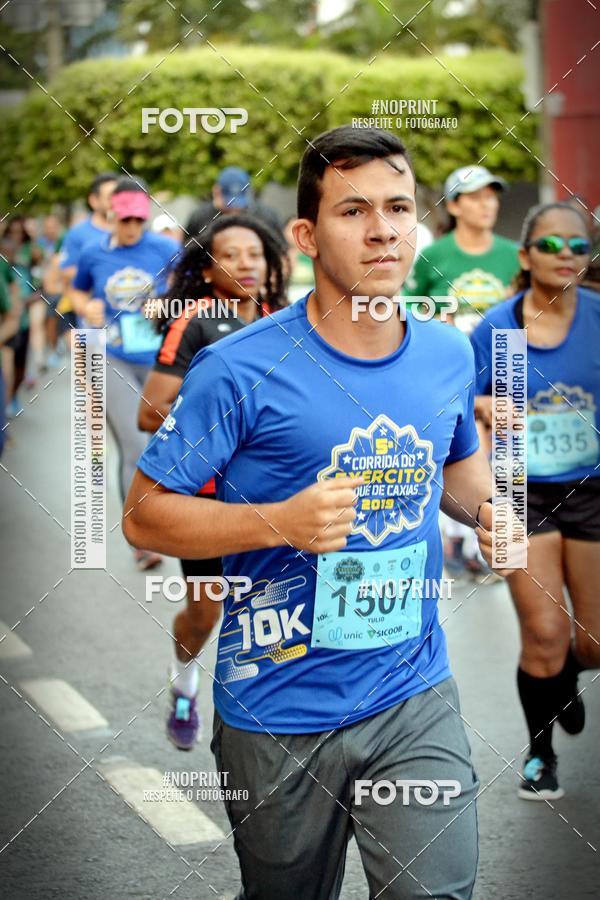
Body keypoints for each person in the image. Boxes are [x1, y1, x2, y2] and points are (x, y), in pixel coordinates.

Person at [124, 125, 522, 899]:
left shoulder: (447, 352)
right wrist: (279, 521)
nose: (382, 229)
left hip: (412, 691)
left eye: (400, 206)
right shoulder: (239, 366)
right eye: (354, 210)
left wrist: (490, 512)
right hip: (277, 705)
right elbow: (144, 515)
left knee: (435, 891)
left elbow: (457, 465)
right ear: (306, 234)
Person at [138, 214, 287, 750]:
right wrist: (231, 420)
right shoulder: (196, 321)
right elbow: (150, 412)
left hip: (276, 499)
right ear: (207, 270)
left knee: (280, 610)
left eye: (256, 253)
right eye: (233, 254)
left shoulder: (286, 321)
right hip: (205, 502)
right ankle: (184, 684)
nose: (248, 263)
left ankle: (272, 721)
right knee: (206, 612)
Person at [471, 201, 600, 800]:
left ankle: (569, 674)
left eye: (577, 245)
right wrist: (484, 406)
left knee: (592, 643)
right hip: (522, 490)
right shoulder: (498, 330)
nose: (565, 255)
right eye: (550, 245)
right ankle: (540, 753)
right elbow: (459, 402)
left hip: (593, 489)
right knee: (544, 634)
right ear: (525, 257)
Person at [406, 165, 520, 578]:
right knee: (457, 447)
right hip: (451, 367)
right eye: (474, 196)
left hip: (508, 360)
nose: (485, 204)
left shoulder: (513, 253)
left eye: (491, 195)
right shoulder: (434, 256)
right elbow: (411, 314)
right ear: (454, 205)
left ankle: (501, 534)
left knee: (507, 449)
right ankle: (459, 540)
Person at [72, 176, 180, 571]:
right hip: (113, 356)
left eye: (139, 219)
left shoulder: (168, 248)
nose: (133, 227)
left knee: (164, 441)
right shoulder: (91, 253)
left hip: (160, 359)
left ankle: (173, 520)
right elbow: (79, 291)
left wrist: (166, 305)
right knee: (134, 446)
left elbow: (190, 289)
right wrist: (88, 308)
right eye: (126, 220)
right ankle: (141, 540)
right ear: (111, 214)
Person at [186, 166, 282, 238]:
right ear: (216, 192)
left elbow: (283, 250)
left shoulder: (266, 217)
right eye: (229, 203)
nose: (235, 209)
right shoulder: (199, 218)